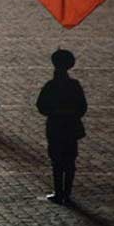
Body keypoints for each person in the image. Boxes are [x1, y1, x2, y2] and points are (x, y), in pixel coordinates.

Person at [36, 49, 87, 205]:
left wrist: (56, 112)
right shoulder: (74, 85)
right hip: (71, 127)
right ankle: (67, 193)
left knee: (57, 161)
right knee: (70, 161)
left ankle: (59, 192)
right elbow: (82, 107)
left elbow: (41, 106)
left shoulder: (50, 86)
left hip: (56, 127)